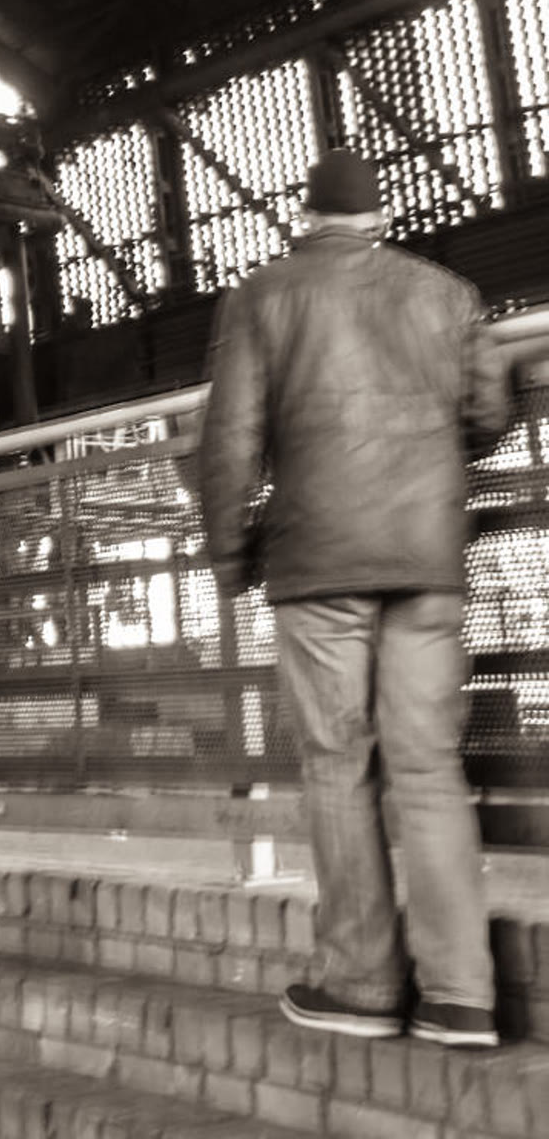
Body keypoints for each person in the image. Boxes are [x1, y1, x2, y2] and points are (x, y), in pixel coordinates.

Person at [198, 147, 509, 1049]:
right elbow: (488, 414)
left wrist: (231, 558)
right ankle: (462, 996)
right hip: (426, 562)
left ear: (309, 218)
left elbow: (231, 440)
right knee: (429, 770)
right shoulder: (447, 293)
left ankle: (364, 987)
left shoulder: (264, 295)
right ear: (378, 220)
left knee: (339, 767)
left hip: (317, 566)